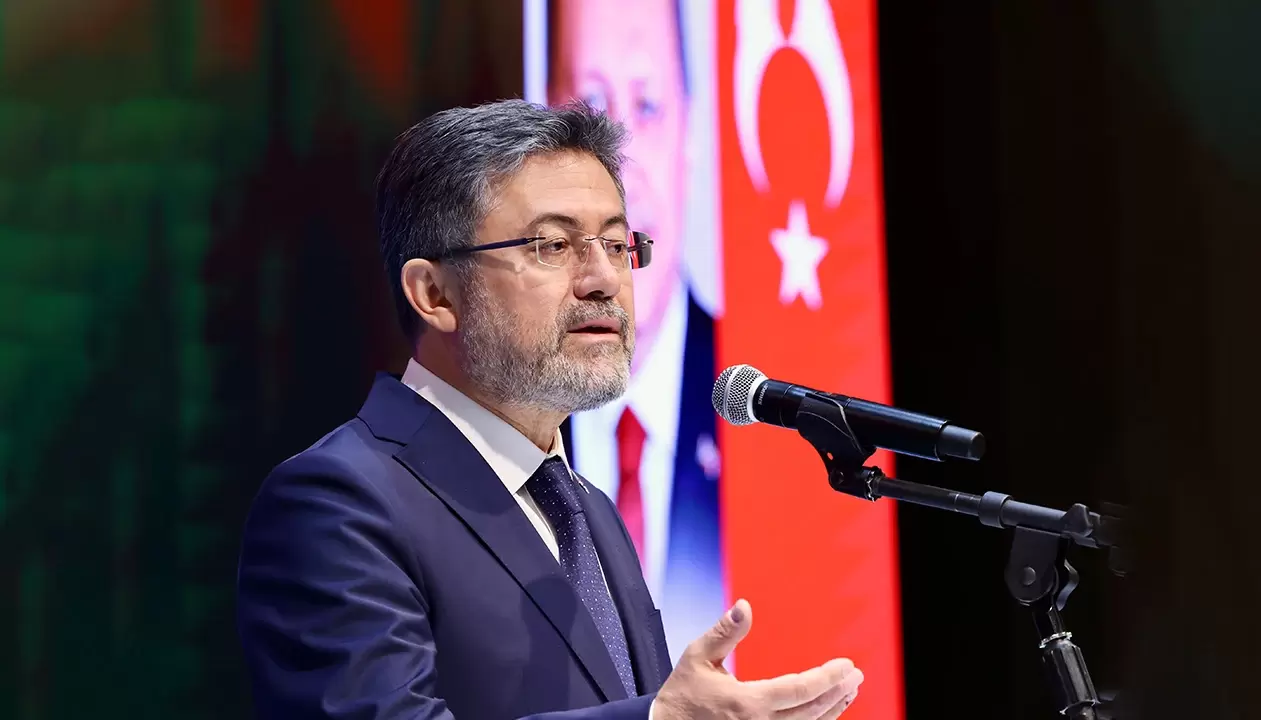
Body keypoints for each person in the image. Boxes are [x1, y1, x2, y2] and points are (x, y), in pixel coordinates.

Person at [236, 100, 863, 719]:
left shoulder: (591, 509)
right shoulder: (338, 502)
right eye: (553, 245)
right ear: (435, 293)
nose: (604, 280)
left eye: (616, 245)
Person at [548, 0, 722, 662]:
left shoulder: (769, 406)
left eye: (647, 107)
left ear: (690, 134)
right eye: (591, 109)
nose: (621, 168)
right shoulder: (498, 419)